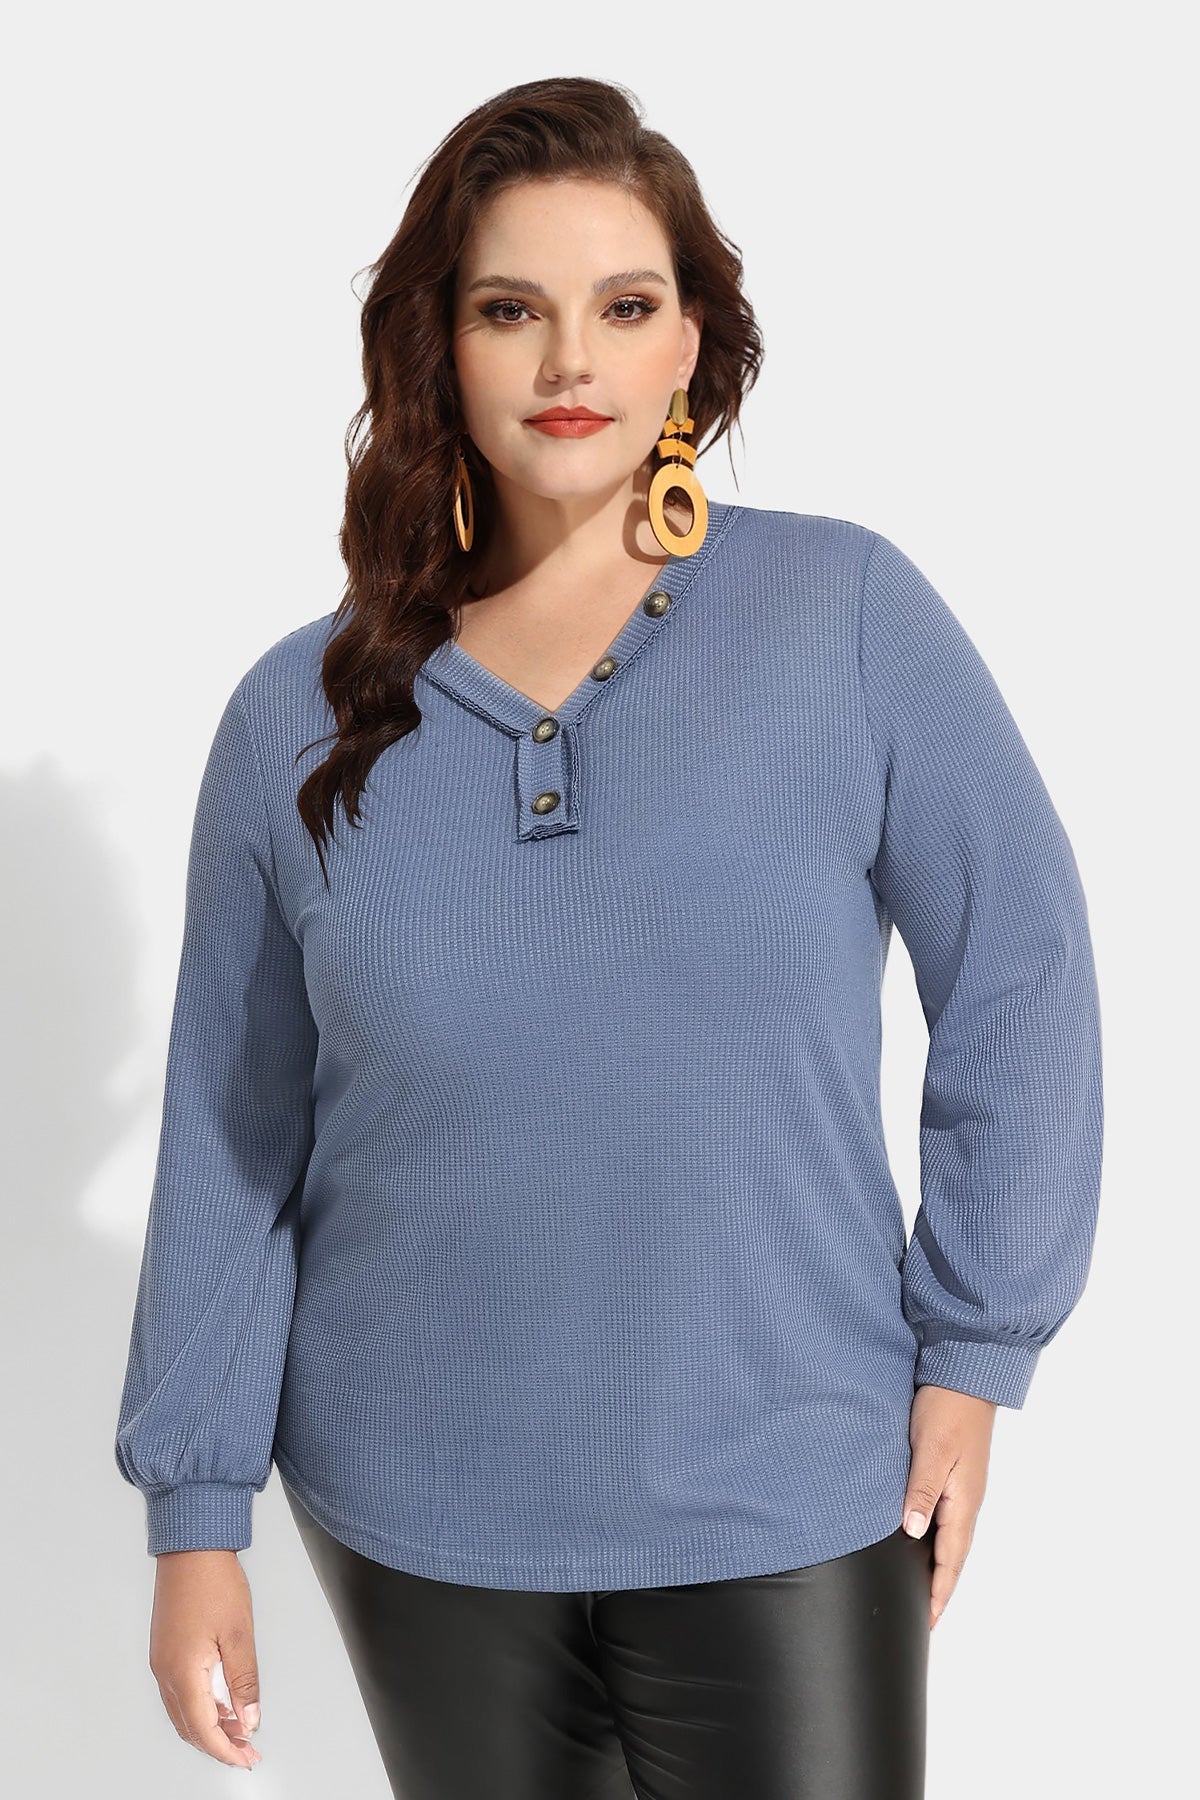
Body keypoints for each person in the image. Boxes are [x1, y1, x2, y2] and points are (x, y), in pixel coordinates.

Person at [113, 75, 1104, 1800]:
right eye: (512, 310)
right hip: (419, 1516)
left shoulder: (845, 617)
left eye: (625, 307)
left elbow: (1022, 971)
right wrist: (195, 1513)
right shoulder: (298, 713)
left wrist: (977, 1347)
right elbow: (230, 1128)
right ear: (440, 345)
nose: (570, 361)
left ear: (690, 344)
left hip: (788, 1487)